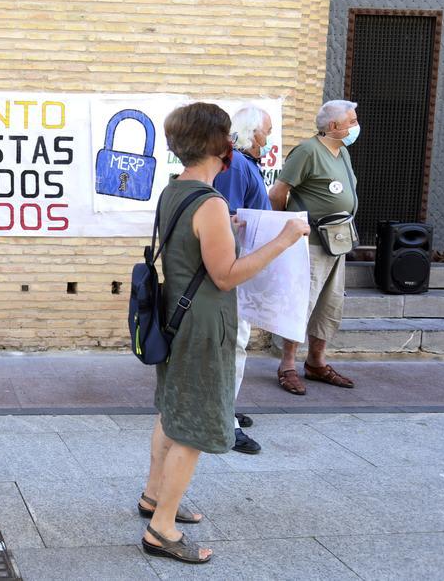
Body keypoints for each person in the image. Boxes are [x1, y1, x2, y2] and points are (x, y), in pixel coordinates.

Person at [140, 103, 307, 564]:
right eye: (228, 135)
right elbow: (227, 275)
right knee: (193, 426)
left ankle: (154, 496)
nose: (233, 142)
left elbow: (190, 248)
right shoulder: (209, 202)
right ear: (219, 144)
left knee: (170, 409)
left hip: (174, 317)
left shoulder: (176, 190)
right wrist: (285, 239)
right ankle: (162, 528)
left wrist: (225, 229)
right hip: (203, 325)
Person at [268, 100, 360, 395]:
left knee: (329, 304)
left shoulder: (342, 151)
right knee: (301, 303)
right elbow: (278, 193)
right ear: (333, 126)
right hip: (310, 242)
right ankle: (287, 365)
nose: (356, 126)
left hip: (337, 239)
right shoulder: (307, 151)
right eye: (352, 121)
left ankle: (316, 362)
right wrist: (289, 227)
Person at [212, 106, 273, 455]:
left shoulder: (243, 164)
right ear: (251, 132)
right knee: (234, 343)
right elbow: (229, 220)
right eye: (266, 130)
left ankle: (225, 407)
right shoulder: (235, 165)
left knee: (237, 343)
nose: (268, 138)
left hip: (242, 267)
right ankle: (225, 421)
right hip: (234, 269)